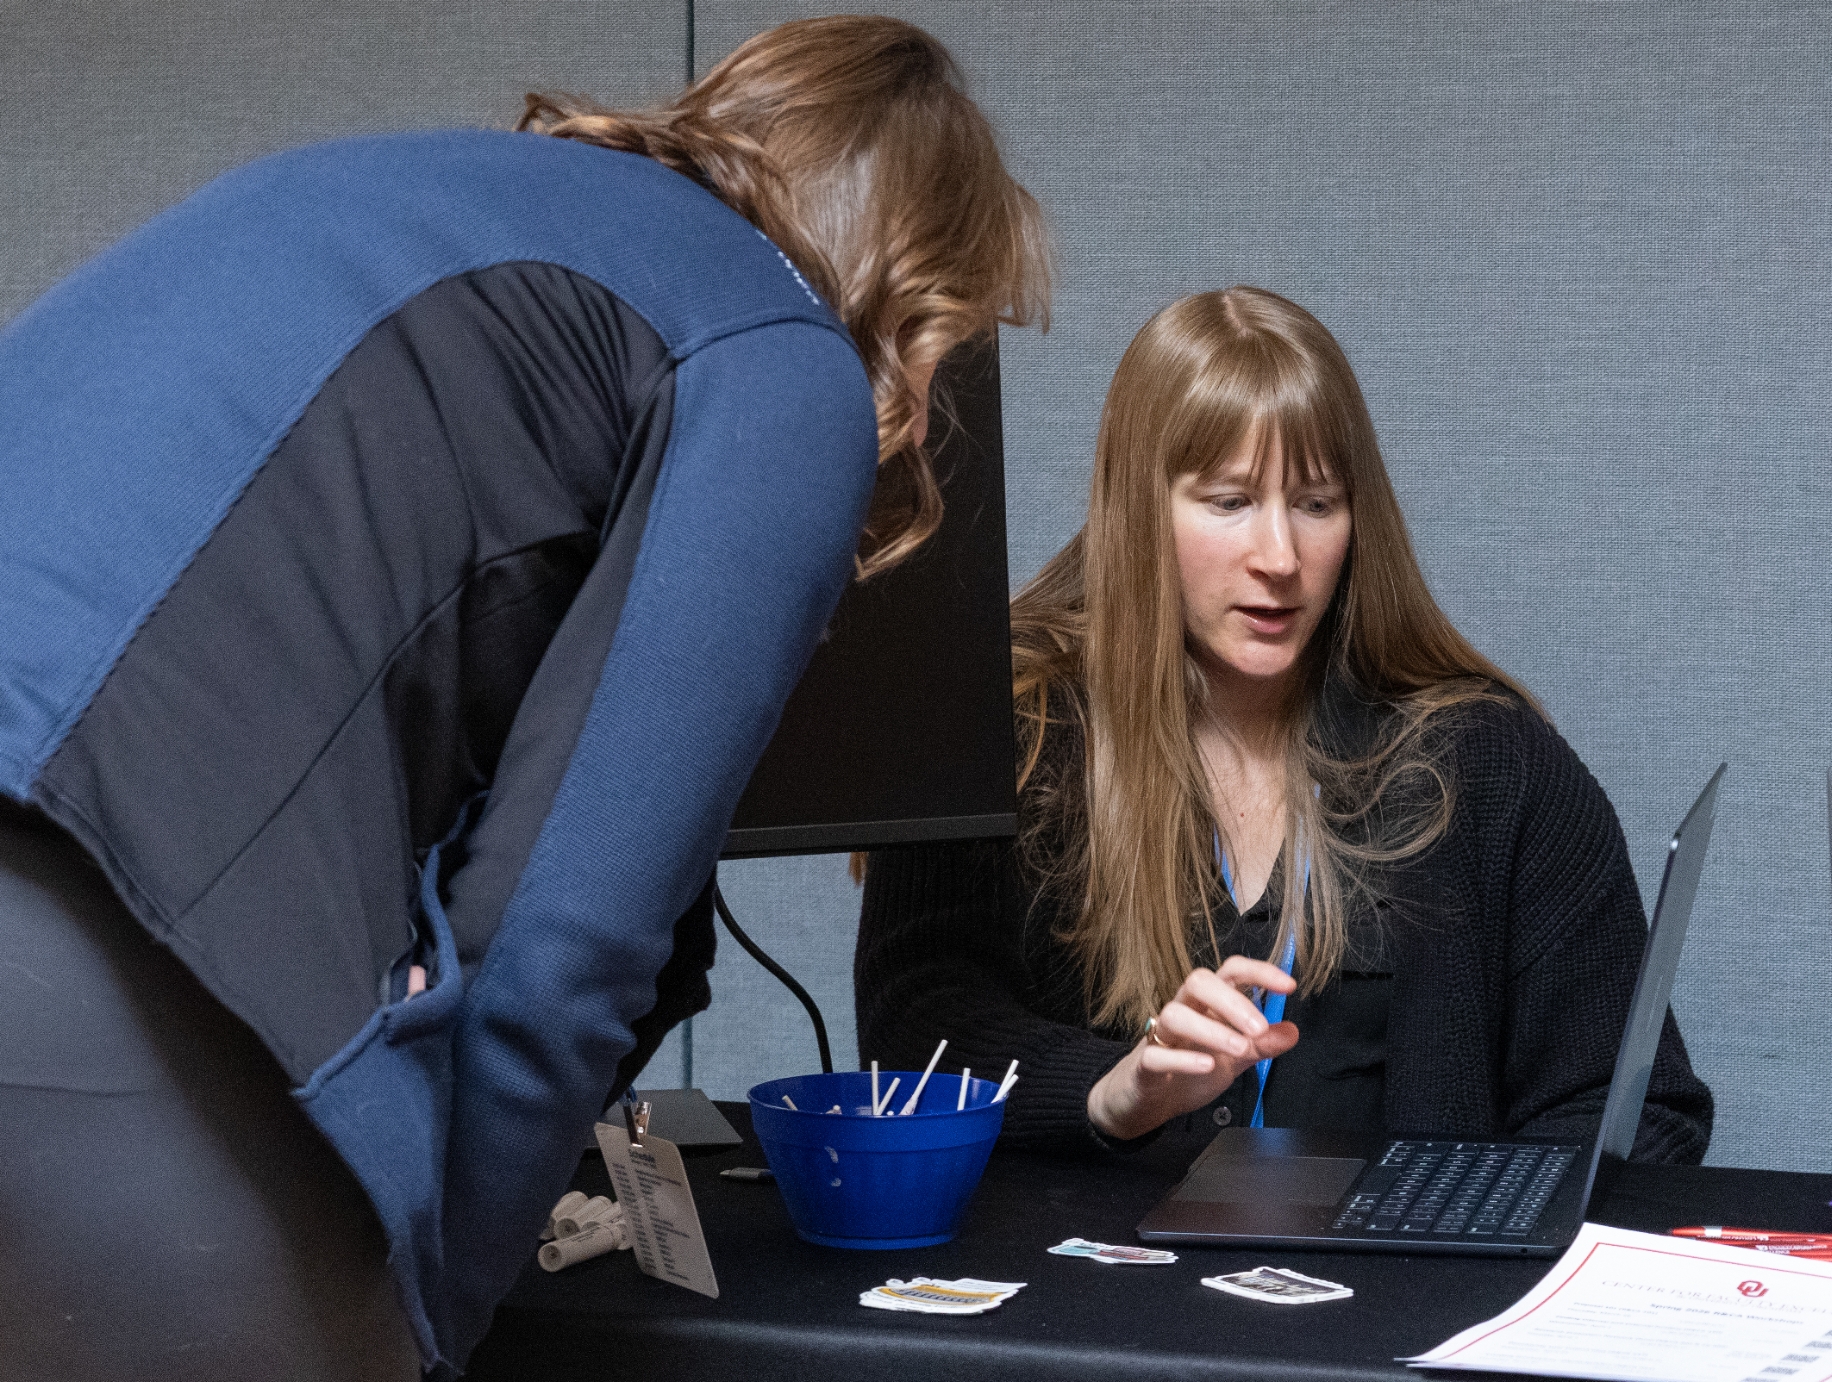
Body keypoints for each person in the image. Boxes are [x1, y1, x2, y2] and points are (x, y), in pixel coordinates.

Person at [0, 17, 1047, 1379]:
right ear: (918, 308)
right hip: (83, 919)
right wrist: (431, 1315)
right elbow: (559, 951)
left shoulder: (398, 191)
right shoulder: (775, 344)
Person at [855, 287, 1712, 1161]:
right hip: (1088, 1253)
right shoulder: (1006, 727)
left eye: (1316, 503)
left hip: (1405, 1258)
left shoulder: (1489, 761)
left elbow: (1638, 1110)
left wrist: (1469, 1220)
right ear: (1137, 511)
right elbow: (913, 1040)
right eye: (1229, 502)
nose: (1280, 558)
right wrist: (1114, 1093)